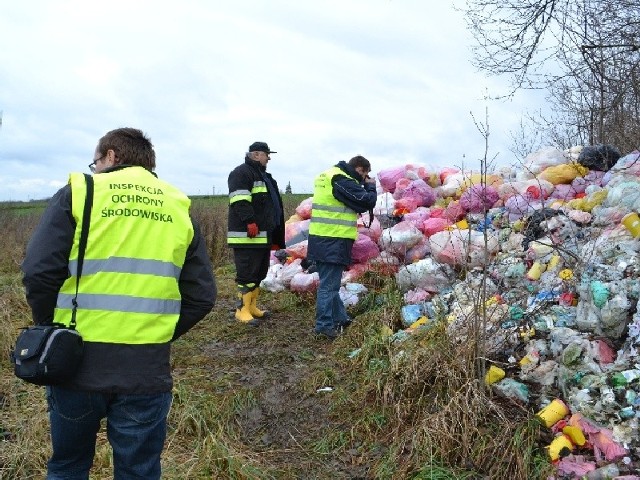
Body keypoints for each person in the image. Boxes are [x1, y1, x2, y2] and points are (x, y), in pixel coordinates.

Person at [21, 127, 216, 479]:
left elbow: (38, 272)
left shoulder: (82, 192)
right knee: (138, 471)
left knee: (68, 465)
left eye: (95, 161)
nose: (94, 168)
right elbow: (202, 296)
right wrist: (158, 331)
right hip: (145, 367)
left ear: (111, 156)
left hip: (74, 361)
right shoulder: (177, 204)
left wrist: (52, 328)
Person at [307, 155, 378, 340]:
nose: (364, 178)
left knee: (330, 284)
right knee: (329, 287)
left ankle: (340, 317)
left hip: (320, 238)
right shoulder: (341, 179)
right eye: (365, 174)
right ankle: (323, 326)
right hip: (333, 240)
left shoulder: (329, 175)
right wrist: (371, 186)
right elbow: (366, 201)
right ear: (360, 169)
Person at [227, 141, 285, 326]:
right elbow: (240, 200)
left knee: (259, 273)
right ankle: (241, 310)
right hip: (247, 236)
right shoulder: (241, 173)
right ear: (256, 155)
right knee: (247, 273)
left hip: (262, 236)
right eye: (266, 154)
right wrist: (250, 221)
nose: (269, 158)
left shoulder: (264, 176)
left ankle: (251, 307)